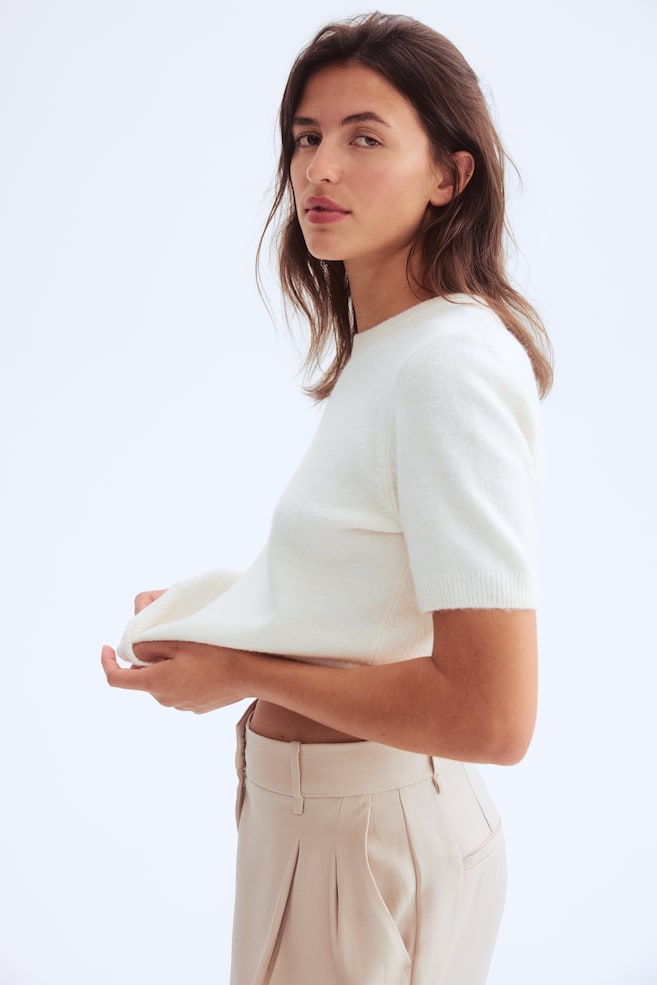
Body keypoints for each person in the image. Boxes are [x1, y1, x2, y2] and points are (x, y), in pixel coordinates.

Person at [102, 12, 552, 985]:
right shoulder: (394, 350)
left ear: (450, 177)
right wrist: (226, 612)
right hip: (328, 827)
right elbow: (376, 590)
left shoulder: (445, 367)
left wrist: (238, 666)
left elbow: (493, 715)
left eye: (365, 138)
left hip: (361, 840)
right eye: (306, 137)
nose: (320, 168)